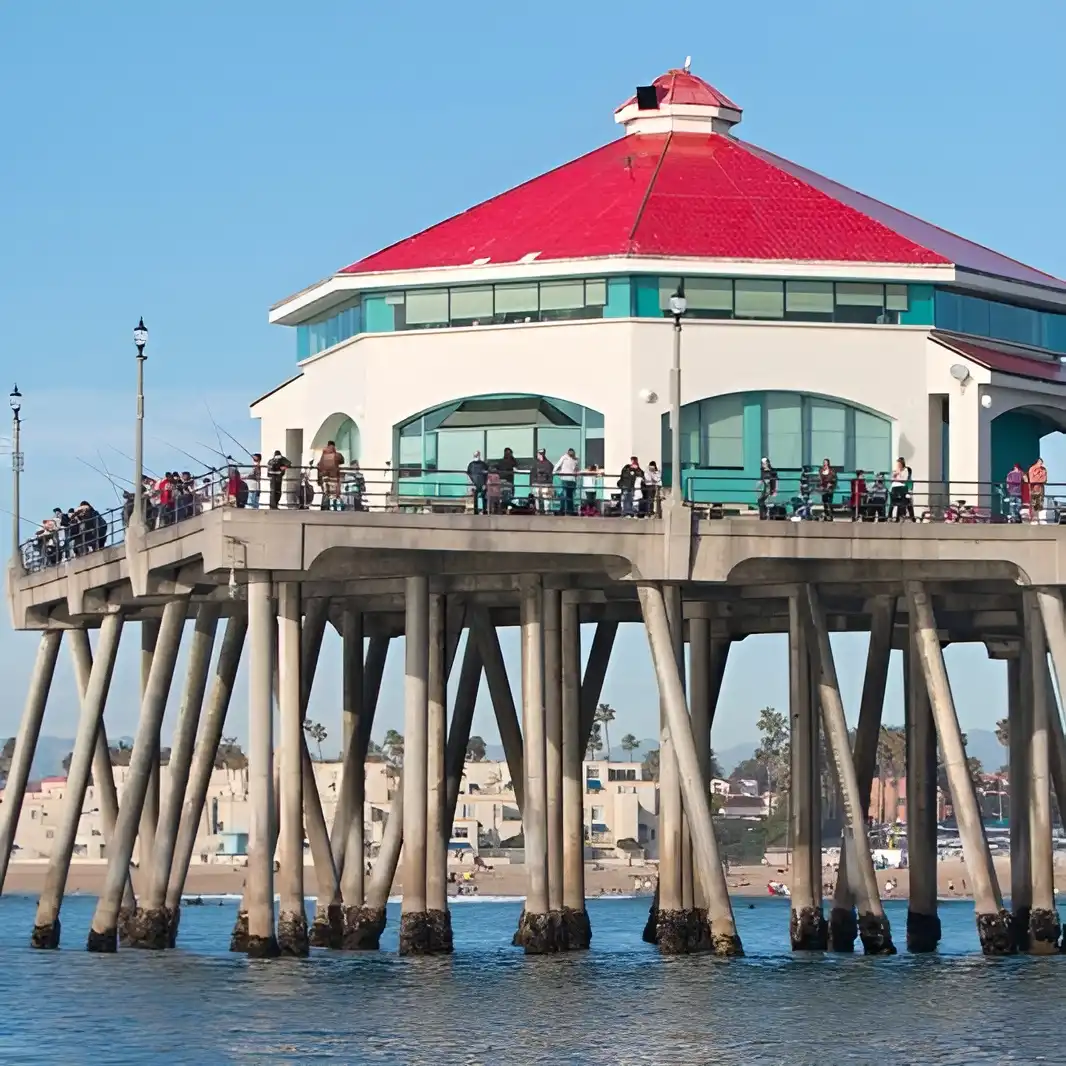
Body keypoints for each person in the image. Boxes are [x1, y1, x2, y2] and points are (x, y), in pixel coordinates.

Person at [317, 440, 345, 510]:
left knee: (326, 493)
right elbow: (342, 460)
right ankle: (334, 508)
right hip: (334, 476)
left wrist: (319, 479)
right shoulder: (336, 455)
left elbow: (319, 465)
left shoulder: (323, 455)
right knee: (334, 494)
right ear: (334, 446)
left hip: (325, 477)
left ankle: (325, 507)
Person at [553, 448, 579, 515]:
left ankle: (563, 509)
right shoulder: (575, 460)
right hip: (572, 480)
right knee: (569, 496)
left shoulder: (564, 457)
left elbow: (557, 465)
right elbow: (576, 470)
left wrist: (554, 472)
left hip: (566, 479)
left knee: (564, 495)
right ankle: (570, 510)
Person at [530, 448, 555, 514]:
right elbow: (532, 473)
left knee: (546, 497)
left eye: (541, 454)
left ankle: (546, 510)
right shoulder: (536, 464)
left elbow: (550, 474)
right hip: (537, 483)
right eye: (539, 454)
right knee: (537, 497)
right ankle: (539, 510)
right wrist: (531, 483)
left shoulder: (548, 463)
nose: (540, 455)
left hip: (545, 483)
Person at [466, 450, 488, 515]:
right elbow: (468, 474)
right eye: (476, 455)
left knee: (484, 497)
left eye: (477, 455)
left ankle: (484, 510)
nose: (477, 456)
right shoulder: (471, 465)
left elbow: (487, 474)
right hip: (474, 483)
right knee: (475, 497)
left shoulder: (483, 464)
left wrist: (485, 484)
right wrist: (472, 484)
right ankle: (475, 511)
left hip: (482, 483)